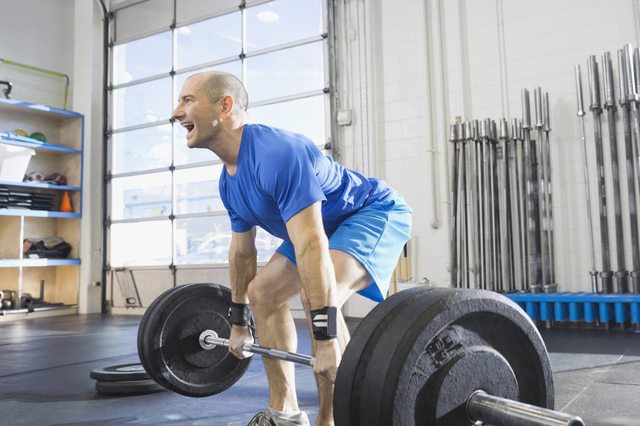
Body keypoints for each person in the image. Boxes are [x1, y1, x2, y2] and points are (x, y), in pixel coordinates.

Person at [171, 71, 412, 426]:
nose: (176, 112)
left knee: (317, 300)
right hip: (318, 225)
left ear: (225, 106)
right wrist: (238, 322)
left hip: (370, 212)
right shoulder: (229, 181)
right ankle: (285, 413)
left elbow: (312, 244)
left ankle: (331, 420)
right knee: (263, 292)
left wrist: (327, 339)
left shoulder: (277, 153)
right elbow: (242, 254)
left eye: (188, 100)